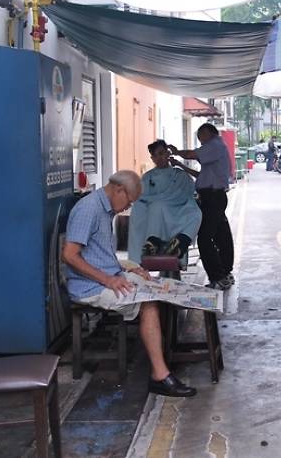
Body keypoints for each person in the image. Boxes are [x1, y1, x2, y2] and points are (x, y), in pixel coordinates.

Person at [62, 170, 196, 397]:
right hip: (90, 287)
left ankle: (166, 354)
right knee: (148, 303)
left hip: (111, 277)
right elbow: (70, 255)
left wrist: (129, 266)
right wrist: (108, 279)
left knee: (158, 286)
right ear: (118, 190)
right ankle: (160, 375)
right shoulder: (89, 209)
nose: (127, 208)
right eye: (129, 202)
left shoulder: (105, 209)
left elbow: (99, 254)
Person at [169, 124, 235, 290]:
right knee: (222, 236)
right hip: (213, 196)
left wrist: (176, 151)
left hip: (213, 198)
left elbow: (192, 154)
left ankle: (218, 277)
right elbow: (201, 176)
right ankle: (225, 273)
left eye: (200, 137)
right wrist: (180, 165)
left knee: (205, 238)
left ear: (207, 133)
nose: (200, 142)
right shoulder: (215, 151)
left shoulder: (214, 146)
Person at [127, 140, 202, 264]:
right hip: (156, 214)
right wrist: (158, 200)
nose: (159, 158)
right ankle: (153, 243)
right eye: (155, 155)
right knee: (155, 207)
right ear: (152, 158)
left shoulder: (180, 175)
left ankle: (179, 242)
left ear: (168, 153)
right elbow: (140, 197)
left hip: (177, 211)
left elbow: (188, 194)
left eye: (162, 153)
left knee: (195, 212)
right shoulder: (148, 177)